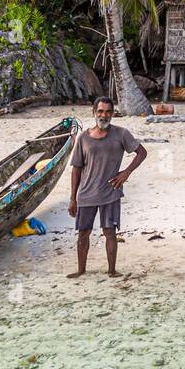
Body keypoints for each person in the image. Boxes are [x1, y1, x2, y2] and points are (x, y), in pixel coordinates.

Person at [67, 97, 147, 277]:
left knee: (109, 232)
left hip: (110, 192)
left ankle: (112, 270)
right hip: (86, 195)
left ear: (112, 113)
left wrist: (126, 173)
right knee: (83, 234)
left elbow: (142, 153)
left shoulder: (121, 134)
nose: (104, 115)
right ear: (94, 112)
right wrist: (73, 198)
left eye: (108, 112)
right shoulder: (83, 138)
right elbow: (76, 170)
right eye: (100, 111)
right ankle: (81, 270)